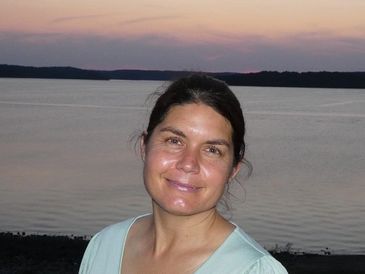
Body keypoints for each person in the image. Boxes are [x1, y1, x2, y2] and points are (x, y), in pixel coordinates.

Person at [79, 74, 288, 274]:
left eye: (212, 150)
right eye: (174, 141)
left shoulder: (253, 270)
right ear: (144, 146)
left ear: (233, 170)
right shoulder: (105, 246)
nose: (189, 164)